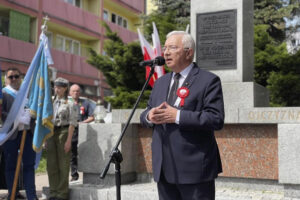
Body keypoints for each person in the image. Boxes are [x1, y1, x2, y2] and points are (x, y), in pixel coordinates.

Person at [140, 31, 225, 200]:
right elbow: (144, 114)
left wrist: (177, 116)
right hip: (164, 168)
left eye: (172, 47)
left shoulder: (208, 81)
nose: (166, 52)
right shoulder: (160, 82)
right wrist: (149, 116)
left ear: (188, 52)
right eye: (165, 48)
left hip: (194, 170)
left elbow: (216, 119)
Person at [2, 67, 38, 200]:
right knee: (11, 166)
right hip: (10, 135)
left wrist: (31, 115)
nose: (13, 79)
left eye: (16, 76)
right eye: (10, 77)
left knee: (29, 166)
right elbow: (2, 114)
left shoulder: (27, 93)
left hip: (27, 134)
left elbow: (35, 110)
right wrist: (16, 119)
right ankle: (13, 194)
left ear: (21, 77)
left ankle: (31, 196)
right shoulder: (4, 93)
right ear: (6, 79)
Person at [47, 77, 77, 200]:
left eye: (59, 87)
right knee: (51, 164)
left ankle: (62, 193)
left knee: (63, 164)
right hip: (51, 132)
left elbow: (72, 123)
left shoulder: (70, 103)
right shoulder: (51, 102)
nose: (56, 89)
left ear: (65, 89)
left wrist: (69, 140)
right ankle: (53, 192)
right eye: (55, 87)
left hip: (64, 131)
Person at [69, 84, 95, 182]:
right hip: (71, 132)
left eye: (77, 91)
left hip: (83, 131)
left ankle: (89, 174)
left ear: (80, 92)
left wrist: (82, 123)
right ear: (70, 92)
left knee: (85, 152)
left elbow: (92, 117)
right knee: (73, 154)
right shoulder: (67, 103)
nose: (75, 93)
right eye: (73, 91)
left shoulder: (86, 103)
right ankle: (74, 175)